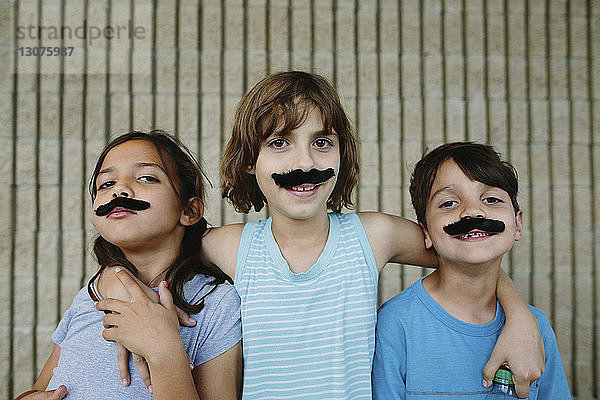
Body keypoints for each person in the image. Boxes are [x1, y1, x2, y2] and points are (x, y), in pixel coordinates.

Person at [96, 72, 545, 399]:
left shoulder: (374, 235)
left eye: (321, 142)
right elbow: (146, 250)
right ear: (250, 162)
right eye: (279, 143)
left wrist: (521, 319)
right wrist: (114, 277)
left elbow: (466, 254)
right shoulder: (231, 246)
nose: (303, 160)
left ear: (341, 153)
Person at [16, 131, 242, 400]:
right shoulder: (92, 294)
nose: (119, 190)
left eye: (147, 177)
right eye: (106, 183)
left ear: (189, 210)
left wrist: (164, 350)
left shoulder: (215, 303)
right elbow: (40, 387)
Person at [371, 142, 571, 399]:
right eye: (449, 203)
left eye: (491, 199)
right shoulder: (394, 325)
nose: (473, 211)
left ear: (518, 224)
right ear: (425, 232)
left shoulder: (536, 328)